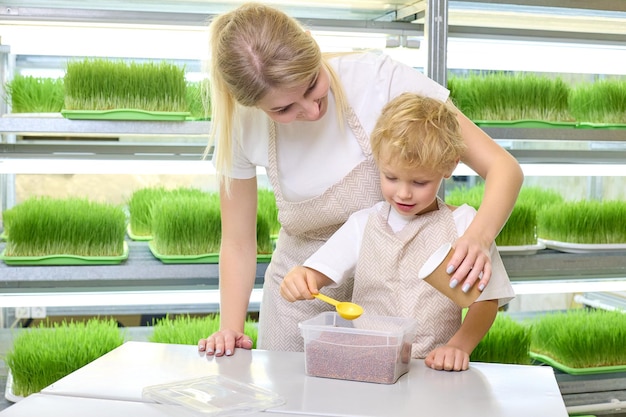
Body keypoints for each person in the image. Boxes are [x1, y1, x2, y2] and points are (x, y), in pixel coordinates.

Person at [197, 2, 523, 356]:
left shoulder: (378, 79)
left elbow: (503, 168)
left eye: (312, 85)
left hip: (394, 305)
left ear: (312, 43)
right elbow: (238, 242)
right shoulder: (243, 124)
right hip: (301, 300)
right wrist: (230, 328)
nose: (311, 110)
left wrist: (478, 236)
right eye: (282, 109)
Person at [280, 93, 515, 371]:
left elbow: (486, 300)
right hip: (367, 368)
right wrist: (299, 278)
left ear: (450, 165)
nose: (403, 193)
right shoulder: (363, 224)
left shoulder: (464, 225)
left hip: (432, 372)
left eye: (419, 181)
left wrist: (458, 346)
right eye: (391, 177)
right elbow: (314, 274)